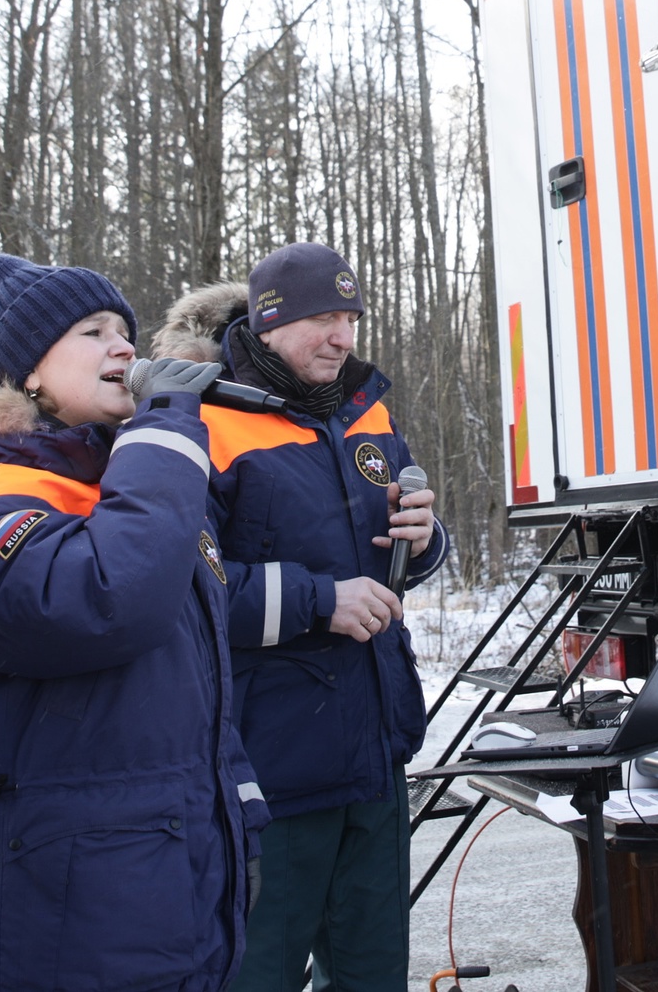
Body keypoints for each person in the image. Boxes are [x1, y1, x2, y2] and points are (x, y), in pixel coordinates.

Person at [0, 254, 268, 992]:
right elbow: (109, 601)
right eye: (92, 331)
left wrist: (238, 817)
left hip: (158, 875)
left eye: (126, 332)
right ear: (29, 372)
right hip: (53, 899)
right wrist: (166, 430)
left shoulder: (123, 482)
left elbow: (194, 670)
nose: (124, 348)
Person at [152, 243, 448, 992]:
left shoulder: (366, 410)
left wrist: (424, 538)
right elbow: (185, 590)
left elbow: (400, 558)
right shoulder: (206, 419)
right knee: (260, 977)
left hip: (376, 761)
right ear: (270, 321)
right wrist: (323, 601)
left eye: (350, 317)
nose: (342, 336)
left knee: (374, 978)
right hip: (270, 770)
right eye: (322, 317)